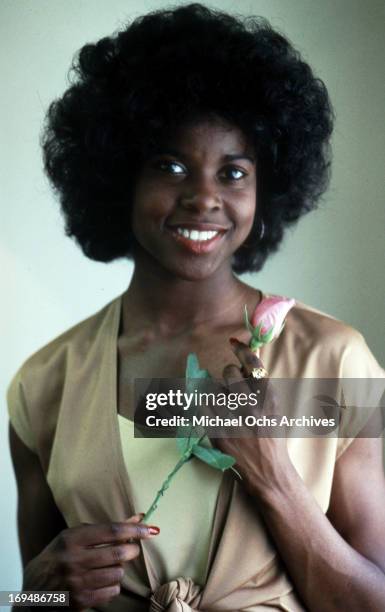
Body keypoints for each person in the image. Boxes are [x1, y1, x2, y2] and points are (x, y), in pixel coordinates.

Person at [7, 4, 385, 611]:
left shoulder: (339, 364)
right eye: (171, 165)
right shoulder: (43, 386)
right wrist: (34, 594)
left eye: (233, 171)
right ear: (116, 175)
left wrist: (275, 478)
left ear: (267, 190)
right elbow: (33, 602)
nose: (204, 197)